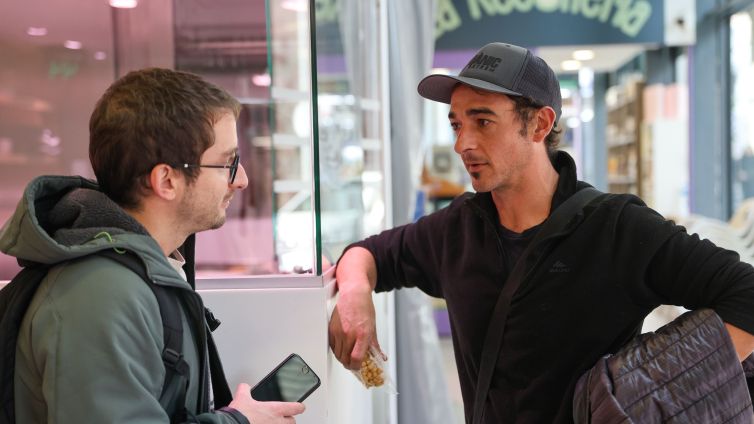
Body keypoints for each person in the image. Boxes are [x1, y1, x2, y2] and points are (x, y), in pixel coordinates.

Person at [328, 42, 754, 423]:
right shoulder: (456, 230)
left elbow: (745, 295)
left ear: (539, 124)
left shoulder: (618, 228)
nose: (462, 144)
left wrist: (664, 393)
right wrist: (352, 295)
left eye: (483, 121)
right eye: (457, 124)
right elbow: (369, 255)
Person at [0, 68, 305, 423]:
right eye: (228, 162)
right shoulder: (100, 295)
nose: (241, 180)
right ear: (167, 180)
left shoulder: (142, 275)